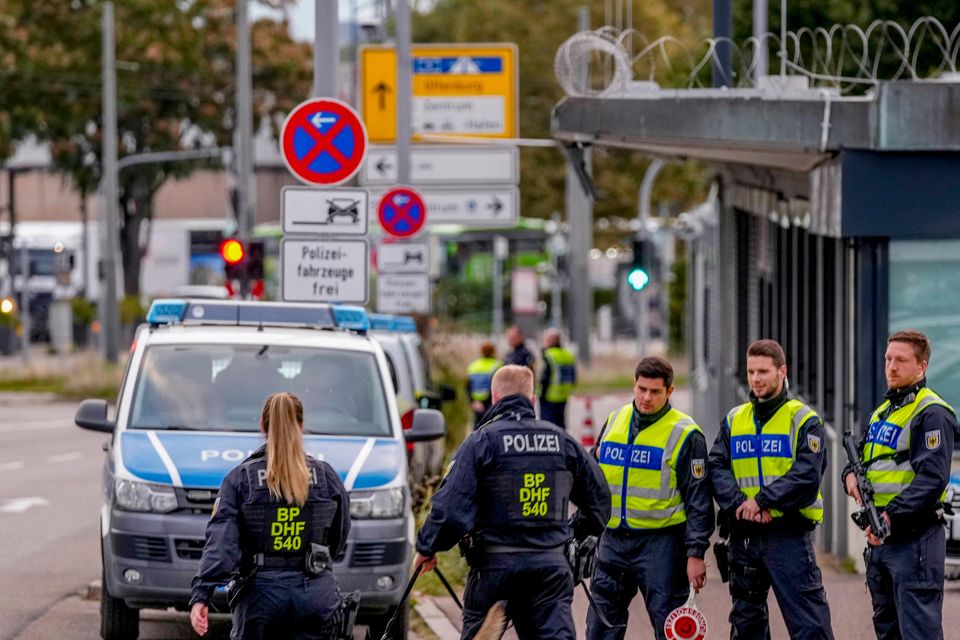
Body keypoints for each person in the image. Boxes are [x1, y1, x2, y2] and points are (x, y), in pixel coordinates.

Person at [413, 365, 611, 640]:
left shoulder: (480, 442)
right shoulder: (562, 441)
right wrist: (568, 533)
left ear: (495, 398)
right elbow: (600, 502)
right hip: (548, 569)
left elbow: (451, 508)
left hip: (494, 567)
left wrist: (427, 546)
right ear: (533, 399)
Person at [189, 392, 351, 639]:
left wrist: (202, 594)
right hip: (317, 593)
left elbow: (222, 543)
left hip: (260, 599)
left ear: (263, 426)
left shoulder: (241, 479)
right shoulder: (326, 477)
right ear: (301, 425)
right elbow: (339, 537)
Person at [708, 339, 834, 640]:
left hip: (787, 535)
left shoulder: (803, 419)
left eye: (763, 371)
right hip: (744, 536)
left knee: (810, 624)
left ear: (782, 371)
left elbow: (806, 476)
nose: (755, 379)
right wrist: (742, 504)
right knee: (746, 625)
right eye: (751, 371)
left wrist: (762, 501)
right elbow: (716, 467)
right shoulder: (734, 419)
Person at [586, 356, 714, 640]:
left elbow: (699, 501)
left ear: (670, 392)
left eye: (655, 391)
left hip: (661, 546)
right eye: (641, 389)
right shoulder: (614, 420)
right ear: (634, 384)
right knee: (599, 629)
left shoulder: (685, 433)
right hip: (613, 542)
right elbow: (593, 479)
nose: (646, 397)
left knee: (671, 630)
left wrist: (695, 554)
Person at [842, 330, 957, 640]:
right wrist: (848, 477)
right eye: (888, 359)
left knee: (918, 632)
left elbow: (932, 480)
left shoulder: (931, 413)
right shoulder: (883, 412)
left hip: (914, 540)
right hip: (881, 541)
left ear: (921, 367)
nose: (891, 367)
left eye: (901, 361)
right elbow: (863, 462)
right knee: (888, 632)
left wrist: (891, 515)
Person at [539, 328, 577, 431]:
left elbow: (545, 378)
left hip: (549, 397)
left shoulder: (549, 355)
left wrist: (541, 395)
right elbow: (573, 377)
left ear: (552, 340)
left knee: (547, 428)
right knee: (561, 426)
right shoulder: (568, 355)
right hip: (564, 396)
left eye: (546, 339)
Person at [466, 341, 502, 428]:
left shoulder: (473, 365)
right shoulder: (498, 365)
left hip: (477, 403)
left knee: (477, 429)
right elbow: (497, 386)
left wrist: (472, 402)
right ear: (493, 351)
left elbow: (468, 386)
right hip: (491, 403)